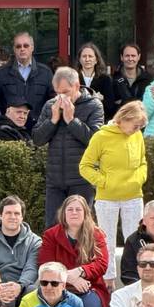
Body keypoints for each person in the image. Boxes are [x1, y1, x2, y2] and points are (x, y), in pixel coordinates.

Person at [78, 101, 148, 286]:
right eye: (136, 125)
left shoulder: (137, 135)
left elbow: (142, 162)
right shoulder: (101, 137)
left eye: (140, 126)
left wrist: (139, 179)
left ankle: (136, 279)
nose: (137, 129)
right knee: (106, 240)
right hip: (107, 198)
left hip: (133, 196)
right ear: (124, 119)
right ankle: (108, 281)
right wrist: (104, 182)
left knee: (135, 239)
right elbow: (85, 166)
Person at [32, 67, 104, 227]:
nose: (61, 97)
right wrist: (53, 120)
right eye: (57, 93)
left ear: (77, 86)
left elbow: (95, 140)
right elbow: (37, 139)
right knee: (53, 229)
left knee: (80, 229)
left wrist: (72, 120)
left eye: (65, 92)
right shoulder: (50, 105)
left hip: (82, 180)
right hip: (55, 180)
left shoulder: (94, 105)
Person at [39, 195, 111, 307]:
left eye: (78, 209)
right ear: (63, 213)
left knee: (93, 306)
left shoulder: (96, 234)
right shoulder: (51, 235)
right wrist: (69, 278)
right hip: (57, 286)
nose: (74, 212)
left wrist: (81, 271)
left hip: (89, 286)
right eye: (70, 209)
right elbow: (45, 264)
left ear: (85, 213)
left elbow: (102, 263)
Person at [0, 32, 53, 124]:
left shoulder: (45, 72)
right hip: (10, 127)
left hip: (38, 126)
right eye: (18, 46)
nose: (22, 49)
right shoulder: (2, 72)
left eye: (26, 46)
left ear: (32, 48)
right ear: (14, 49)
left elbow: (53, 100)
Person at [76, 42, 116, 119]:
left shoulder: (105, 79)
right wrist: (95, 98)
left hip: (98, 121)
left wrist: (100, 100)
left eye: (90, 56)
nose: (87, 59)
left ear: (96, 60)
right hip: (77, 120)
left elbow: (111, 107)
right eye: (84, 56)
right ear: (79, 59)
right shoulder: (73, 78)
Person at [111, 43, 152, 111]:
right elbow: (111, 105)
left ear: (138, 57)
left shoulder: (148, 79)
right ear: (121, 57)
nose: (130, 59)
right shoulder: (113, 79)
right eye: (127, 56)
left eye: (133, 56)